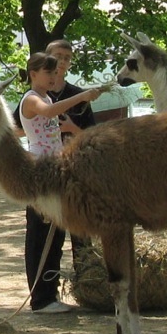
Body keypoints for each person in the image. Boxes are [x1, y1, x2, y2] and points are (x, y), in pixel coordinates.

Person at [18, 52, 102, 313]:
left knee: (55, 235)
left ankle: (49, 294)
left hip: (53, 170)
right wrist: (82, 96)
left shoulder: (45, 97)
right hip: (41, 173)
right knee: (41, 235)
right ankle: (41, 299)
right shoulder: (33, 99)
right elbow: (48, 113)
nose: (55, 76)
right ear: (33, 74)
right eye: (49, 72)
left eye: (55, 72)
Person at [43, 40, 98, 278]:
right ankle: (47, 291)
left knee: (82, 230)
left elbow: (93, 135)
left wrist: (71, 127)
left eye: (67, 57)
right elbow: (17, 129)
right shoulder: (36, 95)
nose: (62, 61)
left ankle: (87, 282)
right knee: (48, 235)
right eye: (58, 56)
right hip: (46, 170)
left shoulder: (78, 96)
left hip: (77, 171)